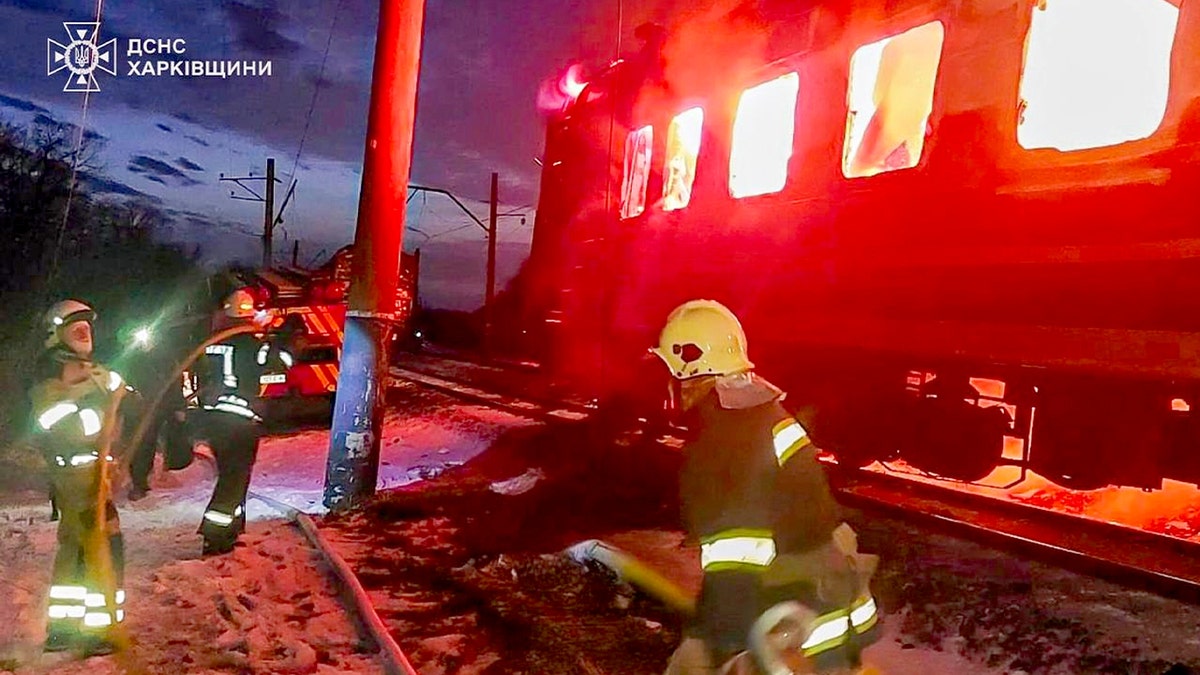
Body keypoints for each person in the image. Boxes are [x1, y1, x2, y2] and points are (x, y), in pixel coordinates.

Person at [651, 300, 880, 675]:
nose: (671, 385)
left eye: (673, 374)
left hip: (791, 614)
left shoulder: (723, 444)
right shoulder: (766, 414)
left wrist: (717, 641)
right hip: (828, 601)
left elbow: (736, 557)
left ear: (693, 370)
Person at [29, 300, 128, 654]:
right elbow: (55, 425)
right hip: (76, 477)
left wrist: (112, 386)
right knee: (102, 549)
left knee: (75, 549)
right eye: (75, 327)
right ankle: (98, 631)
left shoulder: (91, 372)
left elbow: (118, 388)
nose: (84, 332)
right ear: (55, 335)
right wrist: (86, 393)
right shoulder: (52, 379)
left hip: (91, 475)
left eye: (87, 325)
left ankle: (64, 628)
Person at [186, 289, 290, 554]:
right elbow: (278, 365)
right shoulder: (251, 344)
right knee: (234, 479)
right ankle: (215, 534)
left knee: (232, 476)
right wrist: (286, 342)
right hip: (240, 422)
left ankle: (232, 528)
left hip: (214, 419)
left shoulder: (213, 343)